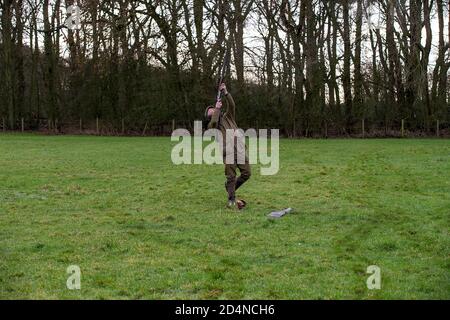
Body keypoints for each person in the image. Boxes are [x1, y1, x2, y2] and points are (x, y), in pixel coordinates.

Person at [204, 83, 251, 210]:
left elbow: (232, 105)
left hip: (240, 149)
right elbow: (214, 121)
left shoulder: (228, 117)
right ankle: (231, 199)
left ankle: (230, 188)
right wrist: (217, 109)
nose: (213, 110)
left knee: (247, 173)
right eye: (211, 111)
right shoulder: (212, 126)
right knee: (231, 176)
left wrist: (225, 92)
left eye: (213, 109)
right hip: (228, 152)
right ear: (209, 117)